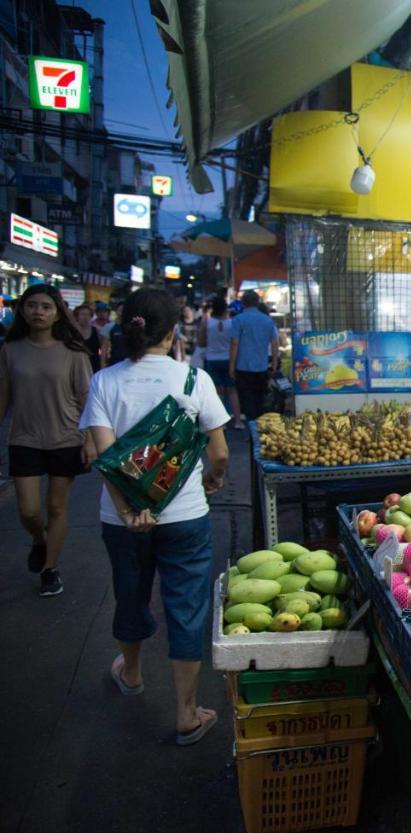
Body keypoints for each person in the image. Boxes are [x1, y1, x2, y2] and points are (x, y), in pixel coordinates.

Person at [80, 288, 230, 745]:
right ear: (173, 333)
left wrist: (128, 508)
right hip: (184, 515)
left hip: (120, 521)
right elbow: (219, 452)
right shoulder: (194, 380)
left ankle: (132, 672)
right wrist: (210, 482)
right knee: (186, 606)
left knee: (130, 593)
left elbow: (106, 457)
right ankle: (186, 713)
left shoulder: (104, 381)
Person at [0, 284, 94, 596]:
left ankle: (50, 569)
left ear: (57, 313)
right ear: (22, 310)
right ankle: (39, 540)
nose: (38, 311)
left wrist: (89, 439)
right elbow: (3, 397)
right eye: (31, 305)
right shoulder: (10, 350)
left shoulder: (74, 352)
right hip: (23, 438)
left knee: (56, 506)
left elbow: (86, 398)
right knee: (27, 511)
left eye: (45, 306)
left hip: (66, 437)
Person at [228, 290, 279, 427]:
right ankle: (259, 429)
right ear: (258, 303)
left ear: (244, 303)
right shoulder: (268, 321)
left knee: (247, 400)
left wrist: (231, 365)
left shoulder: (238, 320)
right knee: (260, 400)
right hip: (262, 367)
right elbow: (274, 343)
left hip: (243, 367)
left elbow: (234, 343)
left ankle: (252, 429)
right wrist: (274, 363)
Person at [199, 296, 238, 419]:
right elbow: (235, 343)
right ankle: (238, 421)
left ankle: (221, 421)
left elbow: (200, 342)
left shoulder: (207, 323)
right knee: (232, 391)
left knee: (218, 392)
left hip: (212, 359)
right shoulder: (232, 323)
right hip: (228, 360)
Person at [72, 303, 103, 371]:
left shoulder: (97, 331)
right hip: (75, 364)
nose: (85, 317)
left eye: (88, 315)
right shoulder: (71, 331)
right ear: (77, 316)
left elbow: (102, 349)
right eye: (82, 314)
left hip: (93, 365)